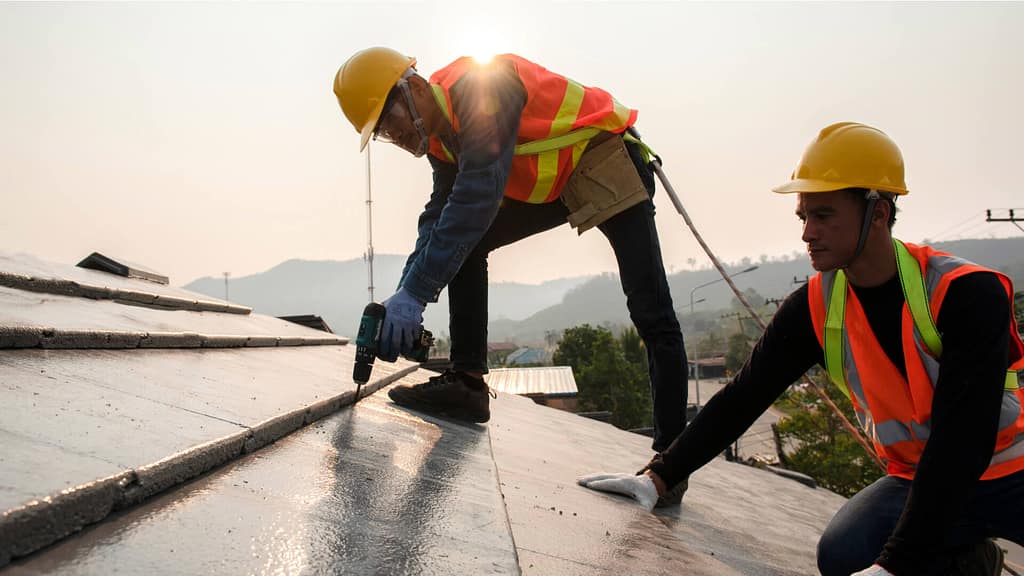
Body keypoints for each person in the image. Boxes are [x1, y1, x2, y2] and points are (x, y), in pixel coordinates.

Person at [578, 121, 1024, 575]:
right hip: (917, 480)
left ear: (880, 213)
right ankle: (971, 560)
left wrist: (896, 564)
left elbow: (961, 439)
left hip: (1011, 475)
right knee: (843, 556)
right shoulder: (815, 306)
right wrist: (659, 477)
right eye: (803, 217)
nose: (807, 232)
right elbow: (744, 395)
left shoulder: (966, 293)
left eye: (824, 215)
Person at [332, 48, 689, 462]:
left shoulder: (484, 88)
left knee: (652, 313)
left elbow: (476, 198)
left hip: (605, 158)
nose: (395, 138)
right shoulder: (438, 137)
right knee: (465, 241)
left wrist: (416, 294)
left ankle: (671, 459)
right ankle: (467, 384)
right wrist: (403, 297)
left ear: (413, 88)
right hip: (561, 179)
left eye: (389, 122)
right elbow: (439, 218)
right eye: (382, 135)